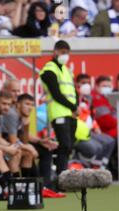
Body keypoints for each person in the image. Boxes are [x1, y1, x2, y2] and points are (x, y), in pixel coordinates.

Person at [39, 40, 78, 179]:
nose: (65, 55)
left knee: (68, 147)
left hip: (70, 112)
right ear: (55, 52)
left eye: (67, 53)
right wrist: (73, 107)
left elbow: (73, 91)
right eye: (62, 52)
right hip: (58, 111)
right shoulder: (49, 69)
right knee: (64, 145)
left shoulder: (67, 70)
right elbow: (56, 93)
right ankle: (61, 178)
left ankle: (64, 175)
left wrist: (75, 107)